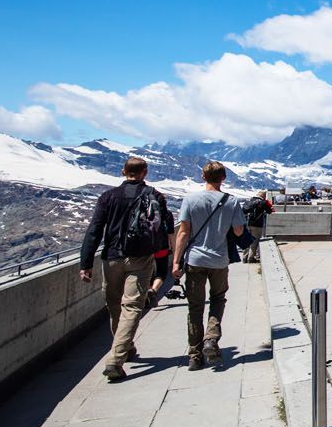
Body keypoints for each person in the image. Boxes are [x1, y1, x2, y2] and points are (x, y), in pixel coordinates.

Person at [79, 157, 171, 382]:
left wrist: (85, 263)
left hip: (111, 258)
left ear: (123, 171)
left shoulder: (108, 197)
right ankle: (121, 353)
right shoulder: (153, 195)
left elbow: (95, 230)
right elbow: (166, 223)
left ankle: (117, 357)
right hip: (140, 258)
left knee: (114, 305)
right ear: (144, 172)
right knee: (131, 306)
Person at [172, 161, 247, 371]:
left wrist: (176, 261)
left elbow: (183, 232)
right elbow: (239, 231)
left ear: (203, 177)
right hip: (219, 260)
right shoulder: (231, 201)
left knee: (194, 307)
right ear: (223, 178)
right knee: (217, 299)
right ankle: (211, 338)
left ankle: (195, 356)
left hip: (195, 259)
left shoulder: (190, 199)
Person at [240, 190, 273, 263]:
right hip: (257, 224)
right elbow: (269, 211)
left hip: (246, 223)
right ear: (264, 196)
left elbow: (243, 210)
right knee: (254, 242)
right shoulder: (263, 202)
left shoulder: (248, 201)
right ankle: (250, 258)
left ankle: (244, 257)